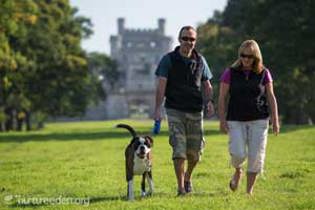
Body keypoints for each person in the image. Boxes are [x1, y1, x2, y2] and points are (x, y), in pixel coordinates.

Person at [153, 26, 214, 196]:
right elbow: (161, 85)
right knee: (179, 149)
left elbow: (207, 85)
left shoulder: (201, 60)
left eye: (192, 39)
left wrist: (209, 102)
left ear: (195, 42)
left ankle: (188, 177)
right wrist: (158, 108)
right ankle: (181, 188)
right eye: (185, 38)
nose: (188, 42)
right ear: (179, 40)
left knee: (194, 154)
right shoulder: (168, 59)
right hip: (174, 110)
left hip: (195, 111)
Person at [218, 40, 280, 195]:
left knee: (256, 156)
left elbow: (271, 96)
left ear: (256, 57)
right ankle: (238, 171)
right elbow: (222, 97)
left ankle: (248, 192)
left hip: (259, 119)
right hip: (235, 119)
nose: (246, 59)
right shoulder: (230, 72)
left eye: (249, 56)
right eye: (243, 55)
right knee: (238, 153)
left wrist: (276, 120)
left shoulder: (264, 73)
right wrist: (222, 120)